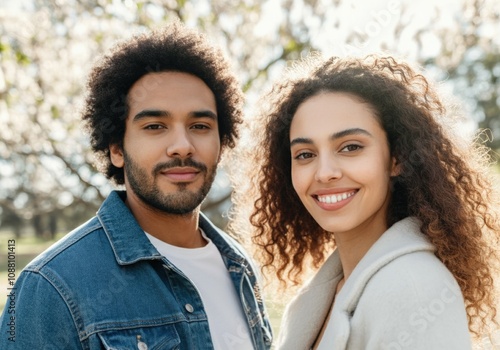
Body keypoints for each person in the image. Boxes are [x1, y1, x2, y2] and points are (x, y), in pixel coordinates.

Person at [0, 22, 272, 349]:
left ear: (222, 141)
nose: (182, 145)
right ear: (116, 148)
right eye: (155, 126)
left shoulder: (239, 266)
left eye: (200, 125)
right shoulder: (51, 287)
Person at [232, 54, 500, 349]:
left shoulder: (416, 289)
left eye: (350, 147)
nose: (325, 173)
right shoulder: (323, 294)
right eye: (305, 154)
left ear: (395, 159)